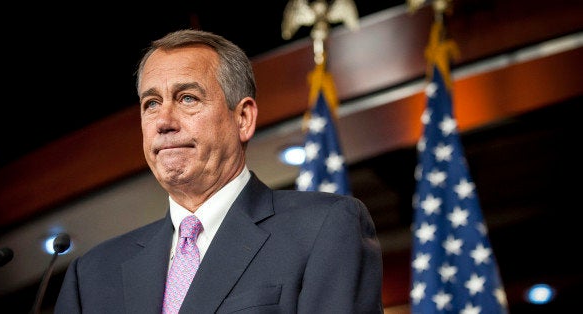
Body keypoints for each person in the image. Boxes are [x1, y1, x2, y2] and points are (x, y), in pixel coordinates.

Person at [54, 29, 383, 313]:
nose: (164, 122)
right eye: (151, 104)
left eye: (187, 98)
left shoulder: (323, 230)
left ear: (243, 119)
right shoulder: (93, 274)